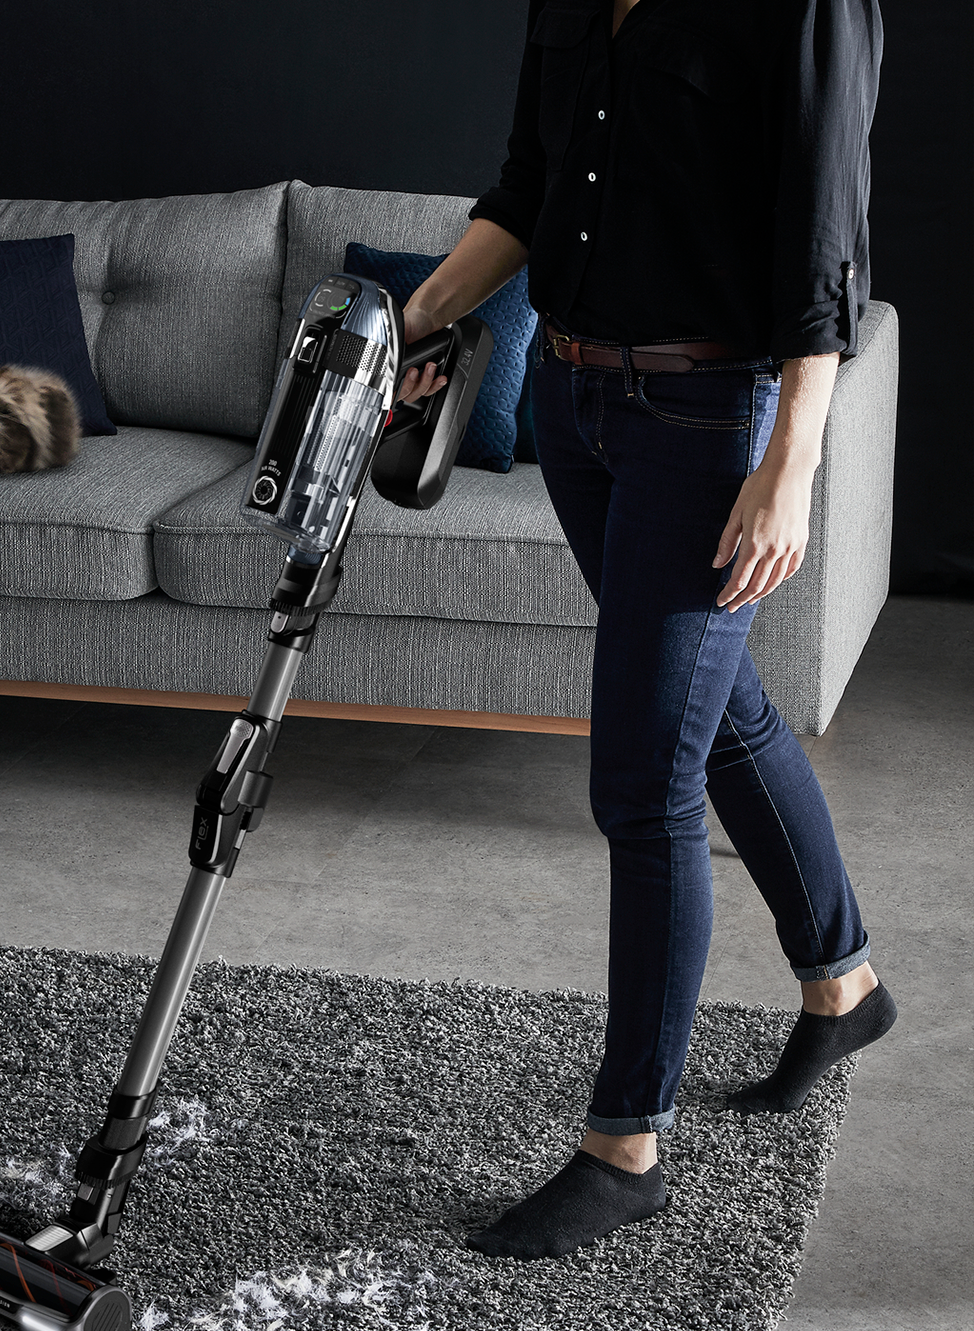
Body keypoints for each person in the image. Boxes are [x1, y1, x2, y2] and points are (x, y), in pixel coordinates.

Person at [397, 0, 893, 1258]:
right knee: (718, 715)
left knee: (645, 780)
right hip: (572, 402)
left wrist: (793, 462)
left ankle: (626, 1147)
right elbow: (526, 184)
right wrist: (414, 319)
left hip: (708, 421)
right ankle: (843, 984)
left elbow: (825, 240)